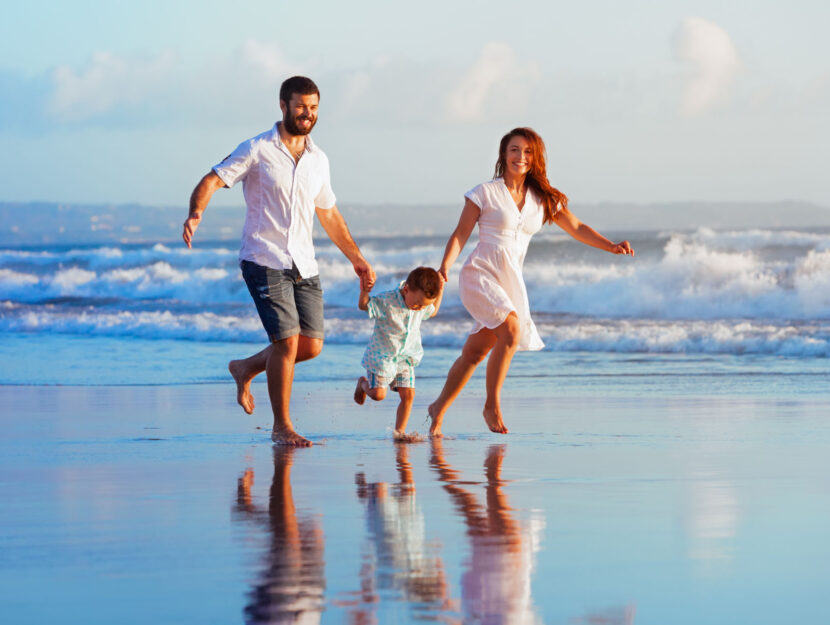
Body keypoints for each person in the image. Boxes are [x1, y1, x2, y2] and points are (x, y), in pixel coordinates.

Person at [183, 76, 375, 447]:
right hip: (262, 257)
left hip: (304, 262)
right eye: (301, 106)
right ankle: (282, 426)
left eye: (314, 107)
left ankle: (245, 368)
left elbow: (330, 214)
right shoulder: (257, 149)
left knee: (311, 345)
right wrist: (196, 213)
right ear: (283, 105)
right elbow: (211, 180)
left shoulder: (319, 160)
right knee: (287, 343)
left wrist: (357, 259)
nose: (308, 114)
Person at [428, 127, 633, 437]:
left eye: (527, 152)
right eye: (514, 150)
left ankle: (438, 408)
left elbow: (576, 226)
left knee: (475, 352)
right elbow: (460, 233)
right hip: (480, 273)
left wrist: (611, 246)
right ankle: (491, 405)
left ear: (535, 158)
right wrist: (445, 266)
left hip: (509, 279)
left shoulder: (541, 199)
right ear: (503, 154)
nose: (520, 157)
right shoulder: (485, 192)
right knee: (511, 328)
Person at [354, 267, 443, 440]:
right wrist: (365, 290)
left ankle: (399, 432)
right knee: (378, 395)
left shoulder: (421, 303)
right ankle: (362, 384)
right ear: (406, 289)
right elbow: (364, 305)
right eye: (417, 305)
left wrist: (441, 289)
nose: (419, 309)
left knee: (408, 395)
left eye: (423, 306)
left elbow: (433, 311)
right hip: (382, 357)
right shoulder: (387, 301)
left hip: (406, 358)